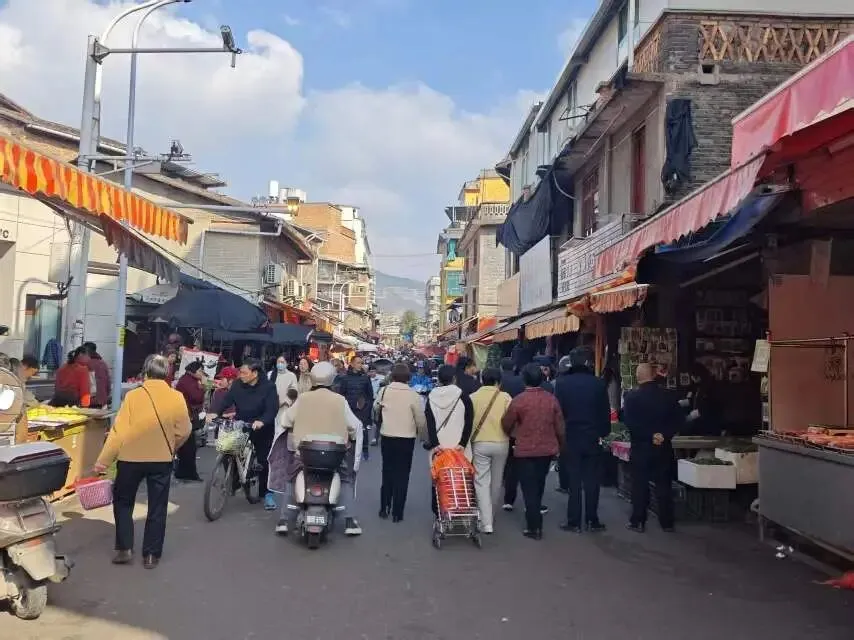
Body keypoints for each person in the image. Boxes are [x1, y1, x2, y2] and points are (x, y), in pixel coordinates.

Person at [93, 354, 191, 569]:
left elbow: (119, 432)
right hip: (161, 459)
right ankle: (151, 555)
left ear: (145, 372)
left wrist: (103, 461)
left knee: (123, 502)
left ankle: (124, 549)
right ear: (167, 373)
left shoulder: (133, 397)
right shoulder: (176, 397)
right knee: (157, 506)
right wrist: (171, 446)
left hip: (130, 459)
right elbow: (184, 430)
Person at [277, 361, 364, 536]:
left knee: (291, 478)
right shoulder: (340, 400)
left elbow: (285, 421)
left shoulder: (303, 399)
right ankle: (349, 521)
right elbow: (355, 426)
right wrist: (352, 439)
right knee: (345, 479)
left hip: (305, 453)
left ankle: (284, 520)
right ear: (332, 379)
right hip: (334, 455)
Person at [501, 364, 565, 540]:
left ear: (524, 380)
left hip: (525, 449)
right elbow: (560, 427)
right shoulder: (551, 400)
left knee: (529, 487)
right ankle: (535, 517)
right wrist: (561, 445)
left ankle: (534, 526)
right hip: (546, 449)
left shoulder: (519, 400)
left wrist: (514, 434)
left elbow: (506, 423)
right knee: (539, 483)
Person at [207, 358, 279, 510]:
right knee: (228, 450)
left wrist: (262, 421)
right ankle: (233, 482)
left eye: (245, 373)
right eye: (241, 372)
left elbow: (272, 409)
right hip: (242, 424)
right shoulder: (237, 385)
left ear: (255, 373)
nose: (241, 375)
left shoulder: (268, 387)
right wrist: (215, 413)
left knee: (263, 461)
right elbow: (226, 401)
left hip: (262, 427)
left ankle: (266, 494)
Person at [553, 346, 611, 533]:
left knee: (574, 481)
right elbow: (604, 413)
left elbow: (558, 414)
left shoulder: (562, 384)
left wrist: (558, 437)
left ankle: (574, 521)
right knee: (592, 481)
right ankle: (592, 520)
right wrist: (603, 433)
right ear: (588, 362)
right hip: (592, 437)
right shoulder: (598, 384)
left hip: (570, 437)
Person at [623, 363, 682, 533]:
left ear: (638, 377)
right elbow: (679, 420)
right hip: (663, 447)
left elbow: (630, 424)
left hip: (641, 447)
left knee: (639, 485)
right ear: (653, 375)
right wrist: (664, 435)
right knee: (664, 485)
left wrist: (650, 436)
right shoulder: (668, 396)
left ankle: (638, 521)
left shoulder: (632, 397)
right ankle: (667, 522)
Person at [374, 363, 426, 522]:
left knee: (387, 472)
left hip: (387, 436)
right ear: (408, 377)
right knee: (402, 475)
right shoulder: (413, 394)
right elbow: (420, 419)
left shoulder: (384, 391)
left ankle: (384, 507)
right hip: (406, 439)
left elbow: (376, 408)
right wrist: (422, 435)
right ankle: (398, 511)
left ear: (393, 376)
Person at [425, 364, 474, 515]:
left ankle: (439, 513)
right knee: (462, 480)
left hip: (439, 448)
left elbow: (430, 423)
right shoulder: (463, 396)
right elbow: (469, 421)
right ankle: (461, 511)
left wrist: (435, 444)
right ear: (454, 378)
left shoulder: (431, 397)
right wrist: (462, 443)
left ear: (439, 379)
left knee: (439, 480)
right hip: (459, 448)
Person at [469, 367, 512, 534]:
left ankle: (485, 521)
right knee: (497, 481)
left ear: (481, 380)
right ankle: (490, 516)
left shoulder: (473, 397)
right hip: (502, 443)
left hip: (480, 443)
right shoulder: (506, 397)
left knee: (481, 481)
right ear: (498, 382)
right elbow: (511, 420)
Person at [499, 358, 524, 511]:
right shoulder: (521, 382)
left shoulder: (499, 382)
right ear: (514, 367)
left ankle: (506, 491)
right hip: (519, 426)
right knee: (516, 462)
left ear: (501, 368)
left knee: (508, 461)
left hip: (502, 424)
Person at [173, 360, 205, 482]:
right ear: (194, 371)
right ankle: (187, 473)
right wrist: (202, 386)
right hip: (185, 416)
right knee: (189, 447)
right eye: (200, 371)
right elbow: (196, 397)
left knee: (187, 446)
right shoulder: (187, 381)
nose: (202, 373)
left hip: (187, 415)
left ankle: (184, 472)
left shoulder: (188, 379)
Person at [337, 356, 374, 459]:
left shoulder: (365, 378)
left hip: (362, 409)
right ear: (352, 364)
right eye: (358, 363)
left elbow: (370, 395)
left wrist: (367, 408)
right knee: (349, 431)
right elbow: (341, 395)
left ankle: (365, 450)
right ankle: (349, 451)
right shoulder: (345, 378)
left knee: (362, 430)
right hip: (349, 409)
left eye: (361, 363)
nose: (360, 365)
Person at [270, 355, 298, 429]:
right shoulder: (271, 374)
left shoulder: (291, 376)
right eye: (278, 362)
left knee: (281, 430)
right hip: (271, 408)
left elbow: (294, 392)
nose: (280, 364)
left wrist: (284, 401)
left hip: (284, 408)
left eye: (282, 362)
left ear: (287, 363)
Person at [83, 342, 111, 408]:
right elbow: (108, 383)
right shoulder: (103, 364)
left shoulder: (85, 364)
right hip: (102, 401)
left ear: (87, 351)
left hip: (89, 401)